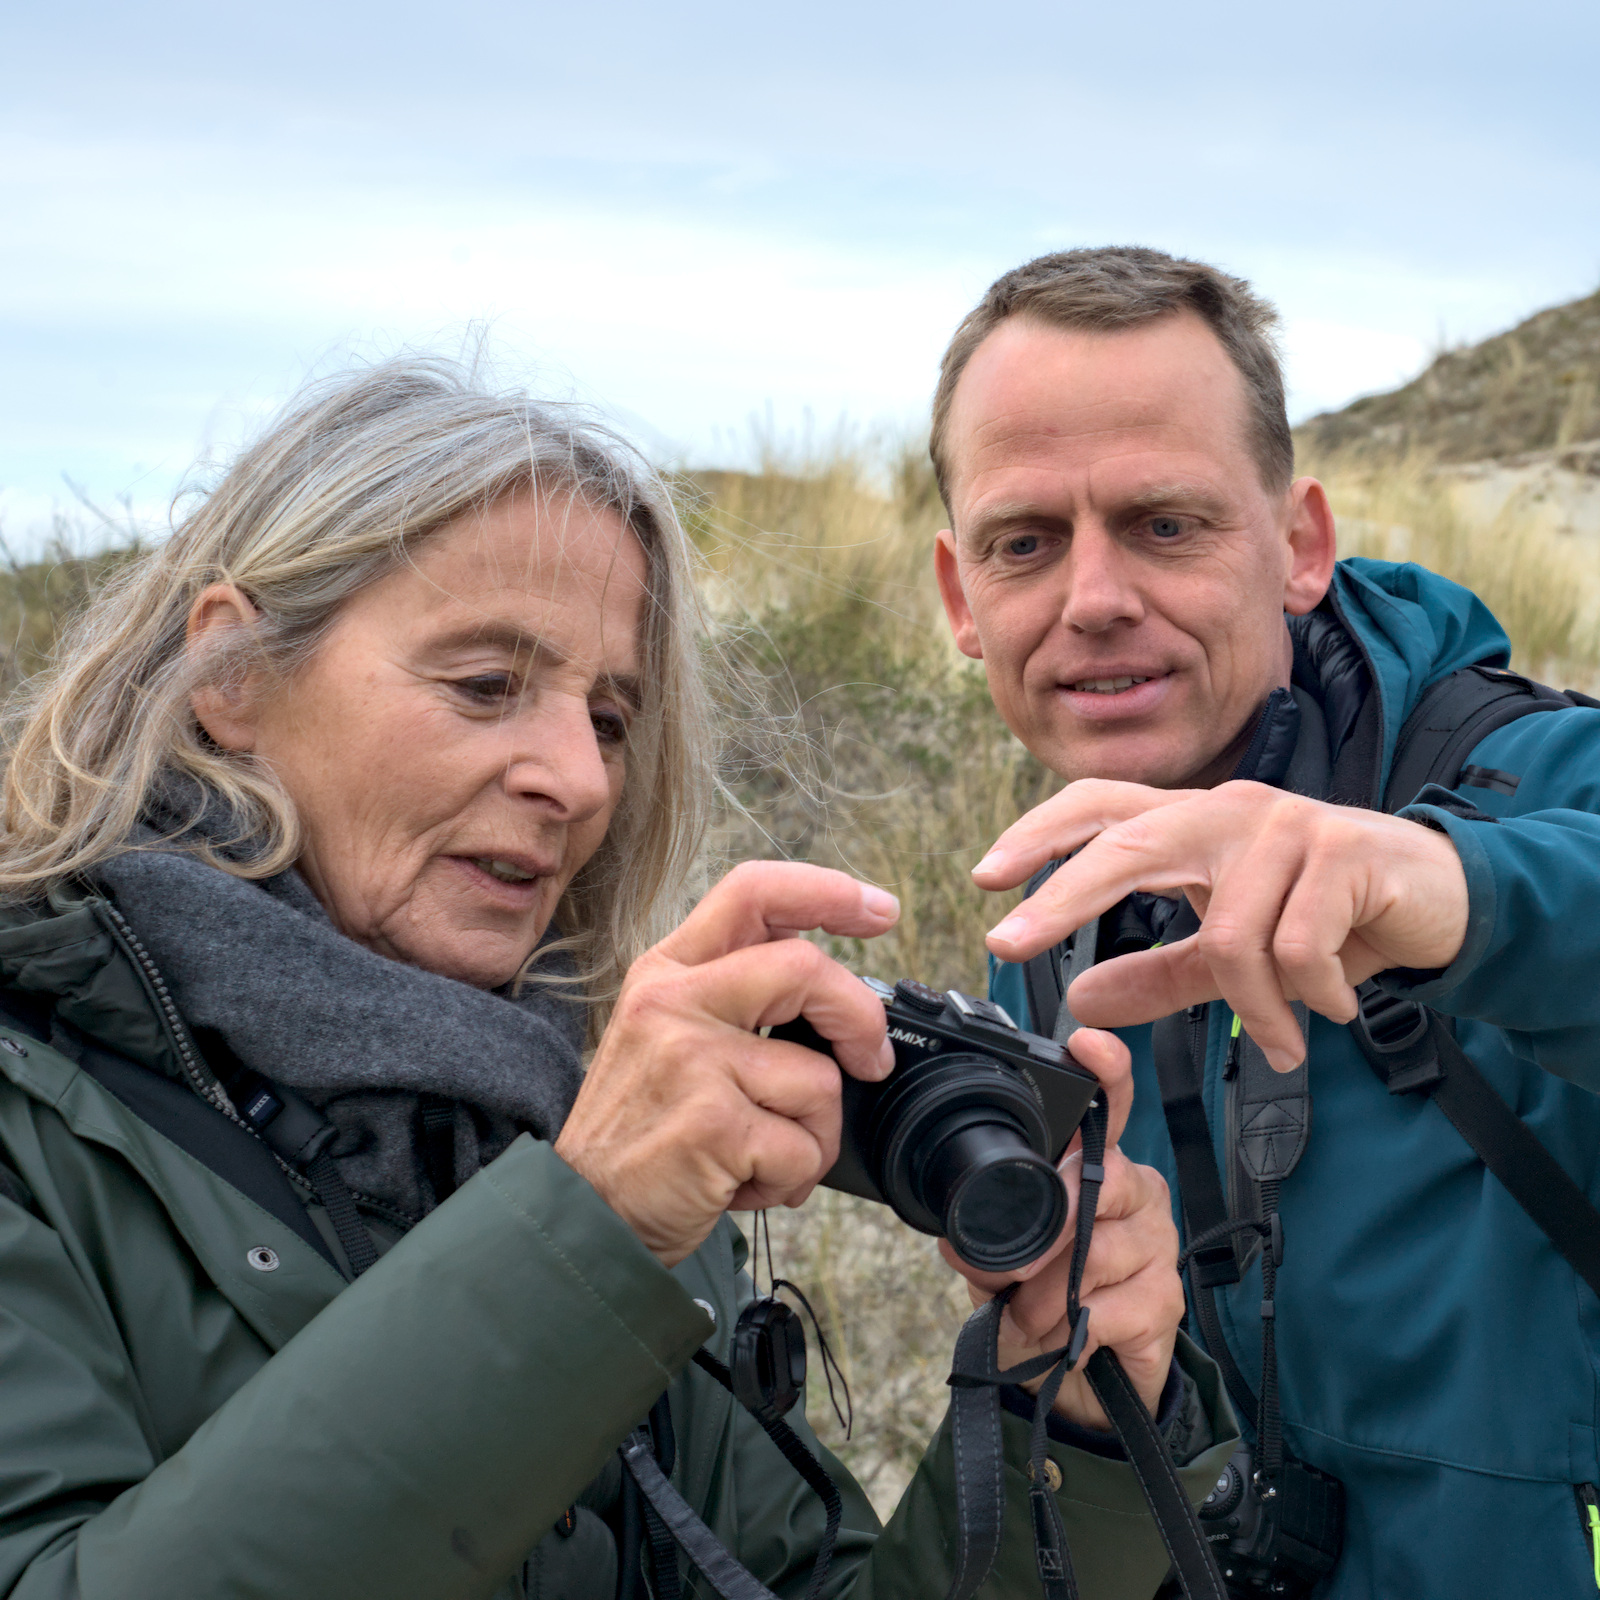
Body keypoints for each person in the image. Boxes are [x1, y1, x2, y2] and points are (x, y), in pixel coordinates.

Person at [0, 356, 1235, 1600]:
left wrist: (1069, 1424)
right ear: (235, 674)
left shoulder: (562, 1113)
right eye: (486, 685)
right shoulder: (36, 1118)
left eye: (607, 717)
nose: (581, 781)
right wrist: (581, 1239)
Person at [930, 245, 1600, 1596]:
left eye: (1166, 524)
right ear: (961, 602)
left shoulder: (1539, 783)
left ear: (1300, 547)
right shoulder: (1058, 925)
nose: (1095, 597)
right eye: (1026, 543)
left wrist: (1446, 892)